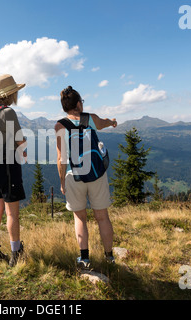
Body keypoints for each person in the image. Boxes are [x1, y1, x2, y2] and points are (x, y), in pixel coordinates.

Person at [55, 86, 118, 269]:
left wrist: (61, 182)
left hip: (74, 177)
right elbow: (105, 123)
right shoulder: (89, 118)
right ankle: (109, 256)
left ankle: (84, 258)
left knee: (80, 218)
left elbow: (61, 158)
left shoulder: (60, 126)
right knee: (102, 217)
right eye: (82, 101)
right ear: (77, 103)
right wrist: (112, 122)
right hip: (97, 174)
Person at [0, 74, 27, 267]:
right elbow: (20, 140)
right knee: (12, 213)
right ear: (11, 94)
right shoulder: (8, 112)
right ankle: (15, 254)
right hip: (7, 166)